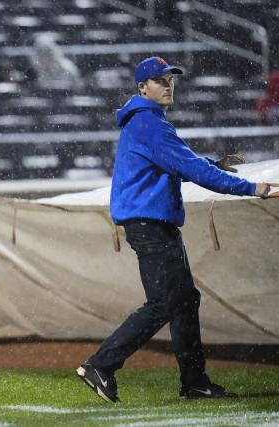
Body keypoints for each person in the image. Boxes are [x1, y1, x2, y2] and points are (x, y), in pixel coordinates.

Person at [76, 57, 272, 403]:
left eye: (170, 80)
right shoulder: (149, 123)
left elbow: (182, 164)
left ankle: (194, 382)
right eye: (160, 81)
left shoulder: (147, 122)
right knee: (165, 303)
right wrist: (250, 188)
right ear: (142, 88)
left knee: (183, 301)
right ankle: (100, 365)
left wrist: (213, 165)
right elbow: (190, 168)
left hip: (154, 223)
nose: (168, 86)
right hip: (149, 224)